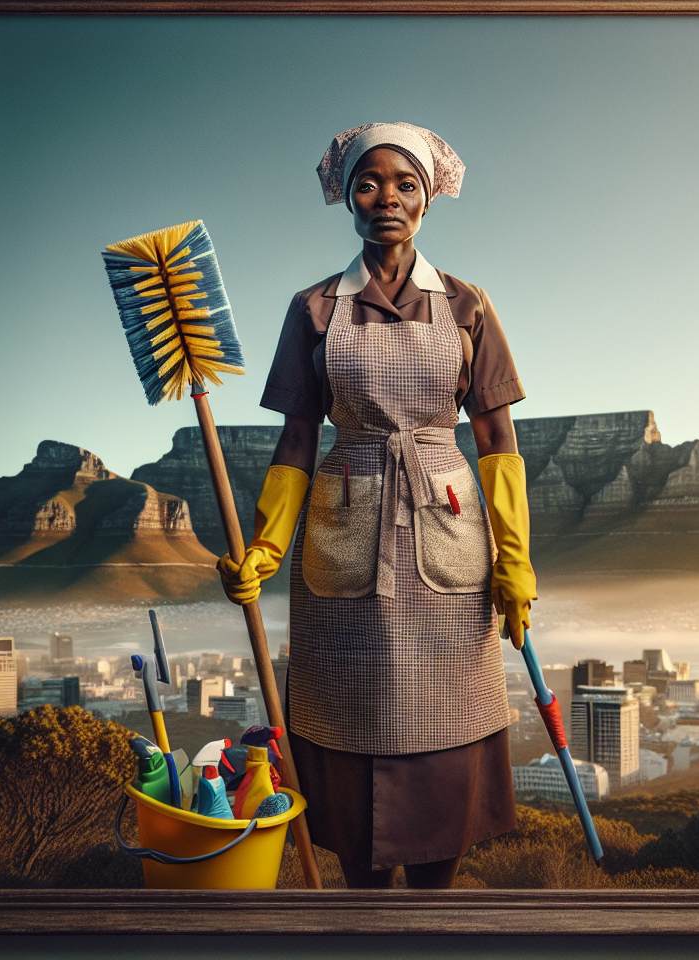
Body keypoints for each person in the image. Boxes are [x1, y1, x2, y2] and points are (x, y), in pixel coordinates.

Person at [218, 122, 537, 889]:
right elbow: (297, 440)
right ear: (346, 197)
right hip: (342, 530)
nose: (385, 198)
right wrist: (266, 545)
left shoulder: (468, 305)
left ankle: (431, 912)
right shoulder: (314, 309)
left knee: (450, 728)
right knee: (346, 726)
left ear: (428, 199)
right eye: (369, 183)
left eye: (404, 184)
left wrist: (517, 560)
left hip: (448, 532)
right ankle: (364, 911)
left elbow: (496, 442)